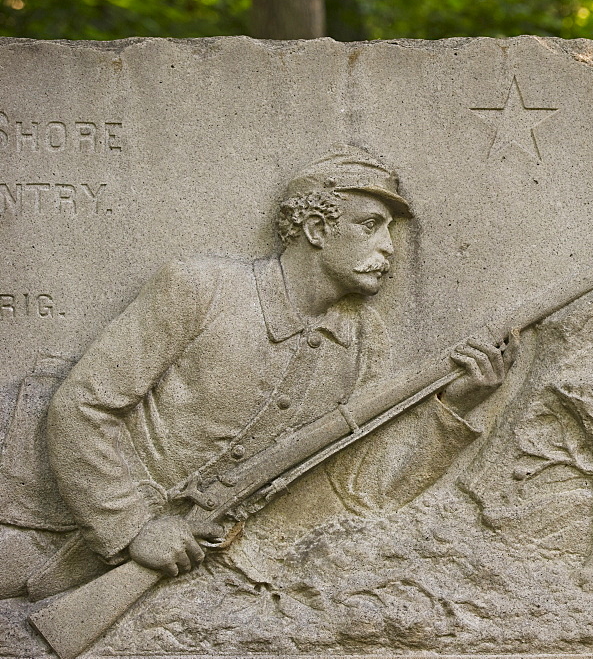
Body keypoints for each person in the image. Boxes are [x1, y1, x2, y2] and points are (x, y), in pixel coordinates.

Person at [0, 145, 512, 598]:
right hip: (48, 526)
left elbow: (357, 489)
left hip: (201, 563)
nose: (389, 249)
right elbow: (83, 406)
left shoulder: (365, 339)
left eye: (390, 232)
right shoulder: (200, 288)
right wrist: (133, 527)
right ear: (316, 228)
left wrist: (454, 407)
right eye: (370, 225)